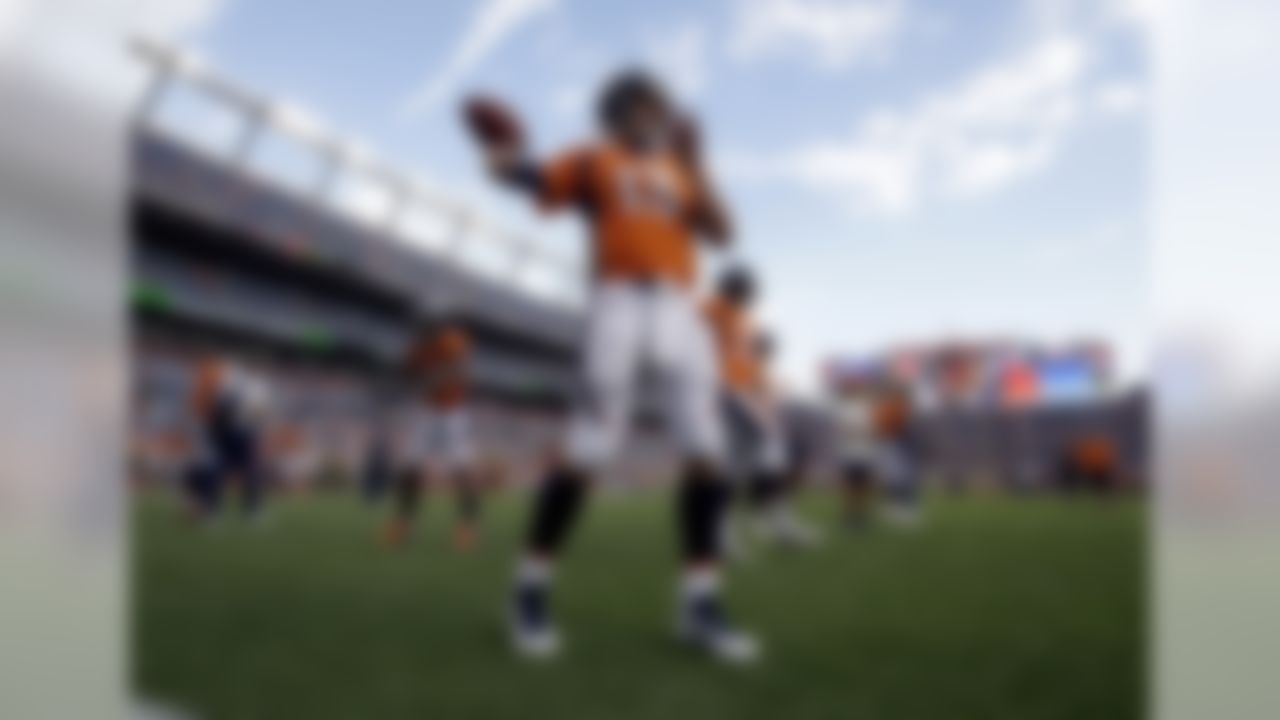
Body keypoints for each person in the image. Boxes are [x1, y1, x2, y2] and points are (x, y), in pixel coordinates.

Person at [463, 69, 757, 663]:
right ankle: (529, 588)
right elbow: (525, 178)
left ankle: (699, 603)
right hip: (618, 298)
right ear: (621, 111)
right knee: (590, 449)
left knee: (708, 453)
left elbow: (725, 234)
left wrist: (699, 163)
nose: (661, 114)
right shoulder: (595, 156)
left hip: (681, 306)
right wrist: (500, 156)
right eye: (650, 105)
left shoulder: (680, 168)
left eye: (662, 106)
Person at [704, 268, 818, 550]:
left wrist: (762, 381)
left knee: (772, 465)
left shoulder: (743, 319)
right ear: (733, 287)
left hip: (747, 394)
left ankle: (777, 524)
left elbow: (746, 357)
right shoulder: (712, 309)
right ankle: (721, 532)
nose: (752, 297)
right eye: (748, 290)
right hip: (728, 391)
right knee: (732, 469)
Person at [383, 315, 482, 551]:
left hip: (452, 409)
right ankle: (404, 523)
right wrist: (411, 377)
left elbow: (462, 370)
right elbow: (406, 373)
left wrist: (432, 379)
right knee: (410, 466)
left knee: (462, 468)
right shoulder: (418, 346)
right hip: (426, 409)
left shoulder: (453, 340)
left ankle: (468, 527)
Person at [184, 354, 270, 524]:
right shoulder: (236, 382)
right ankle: (218, 511)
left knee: (245, 471)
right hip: (230, 431)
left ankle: (245, 511)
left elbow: (257, 412)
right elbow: (222, 407)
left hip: (236, 430)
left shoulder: (247, 384)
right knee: (227, 471)